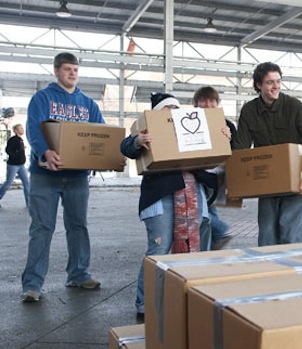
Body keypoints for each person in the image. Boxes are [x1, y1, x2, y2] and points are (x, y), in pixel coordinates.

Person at [121, 92, 220, 320]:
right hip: (161, 197)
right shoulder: (148, 131)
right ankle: (145, 303)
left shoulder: (191, 129)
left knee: (197, 251)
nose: (174, 111)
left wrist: (226, 133)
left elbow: (222, 142)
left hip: (195, 197)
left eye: (177, 107)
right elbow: (126, 146)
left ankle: (192, 296)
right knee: (160, 248)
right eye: (168, 108)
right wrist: (137, 141)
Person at [21, 52, 103, 303]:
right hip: (46, 175)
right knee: (42, 228)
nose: (72, 73)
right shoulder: (42, 98)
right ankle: (33, 284)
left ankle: (78, 274)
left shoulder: (88, 104)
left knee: (78, 226)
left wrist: (107, 157)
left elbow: (101, 134)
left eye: (75, 69)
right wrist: (44, 151)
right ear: (56, 71)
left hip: (77, 176)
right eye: (67, 69)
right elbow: (33, 128)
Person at [233, 62, 302, 246]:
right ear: (259, 85)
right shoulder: (249, 111)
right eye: (269, 82)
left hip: (294, 180)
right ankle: (269, 272)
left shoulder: (293, 106)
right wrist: (234, 182)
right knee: (266, 234)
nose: (276, 86)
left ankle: (291, 272)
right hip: (267, 181)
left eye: (278, 81)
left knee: (289, 233)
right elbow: (240, 149)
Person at [192, 86, 236, 250]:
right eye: (203, 100)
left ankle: (218, 233)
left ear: (217, 103)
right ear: (196, 104)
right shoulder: (189, 122)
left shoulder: (227, 125)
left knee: (204, 212)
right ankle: (212, 244)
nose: (208, 104)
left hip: (214, 176)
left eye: (212, 100)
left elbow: (234, 151)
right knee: (204, 211)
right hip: (195, 174)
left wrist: (228, 138)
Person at [0, 123, 30, 208]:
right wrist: (15, 156)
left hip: (21, 165)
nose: (22, 130)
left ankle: (29, 203)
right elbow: (8, 150)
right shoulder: (13, 140)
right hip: (13, 165)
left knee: (27, 183)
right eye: (20, 128)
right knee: (8, 183)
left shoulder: (20, 140)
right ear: (16, 130)